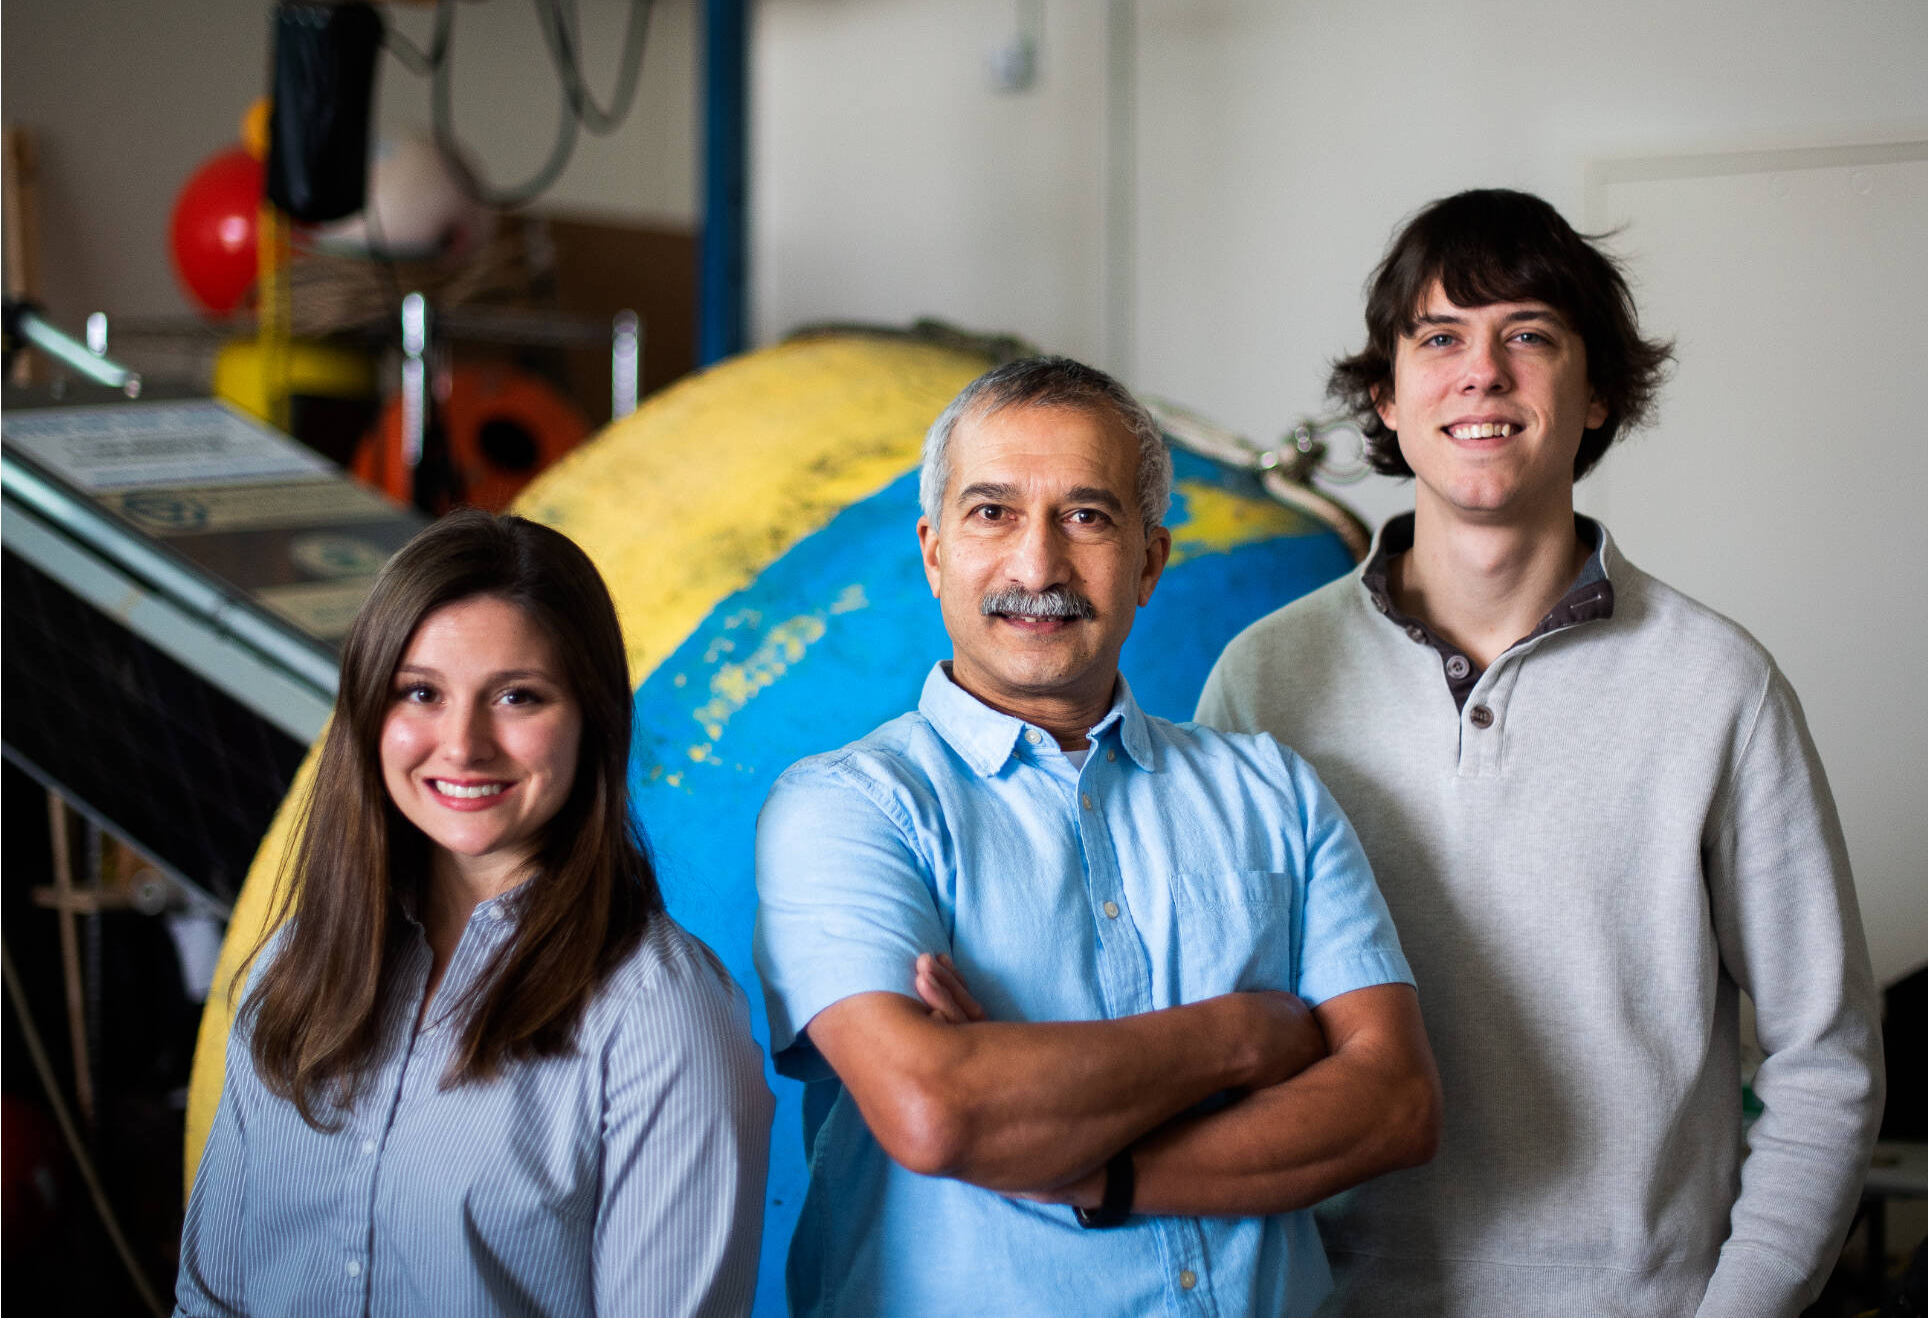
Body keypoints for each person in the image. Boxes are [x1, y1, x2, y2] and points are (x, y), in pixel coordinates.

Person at [1198, 189, 1885, 1316]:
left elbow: (1825, 1058)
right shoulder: (1265, 679)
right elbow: (1201, 1011)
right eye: (1438, 339)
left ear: (1597, 389)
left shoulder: (1717, 685)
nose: (1482, 373)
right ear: (1385, 391)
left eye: (1527, 335)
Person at [753, 356, 1441, 1317]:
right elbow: (933, 1110)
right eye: (991, 513)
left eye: (1087, 516)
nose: (1037, 566)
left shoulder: (1273, 792)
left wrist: (1085, 1167)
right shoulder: (847, 809)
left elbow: (1394, 1106)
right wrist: (1242, 1036)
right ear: (933, 551)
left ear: (1150, 562)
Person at [176, 511, 772, 1318]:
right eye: (421, 692)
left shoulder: (661, 1017)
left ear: (590, 721)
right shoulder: (296, 967)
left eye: (517, 697)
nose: (462, 744)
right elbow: (210, 1300)